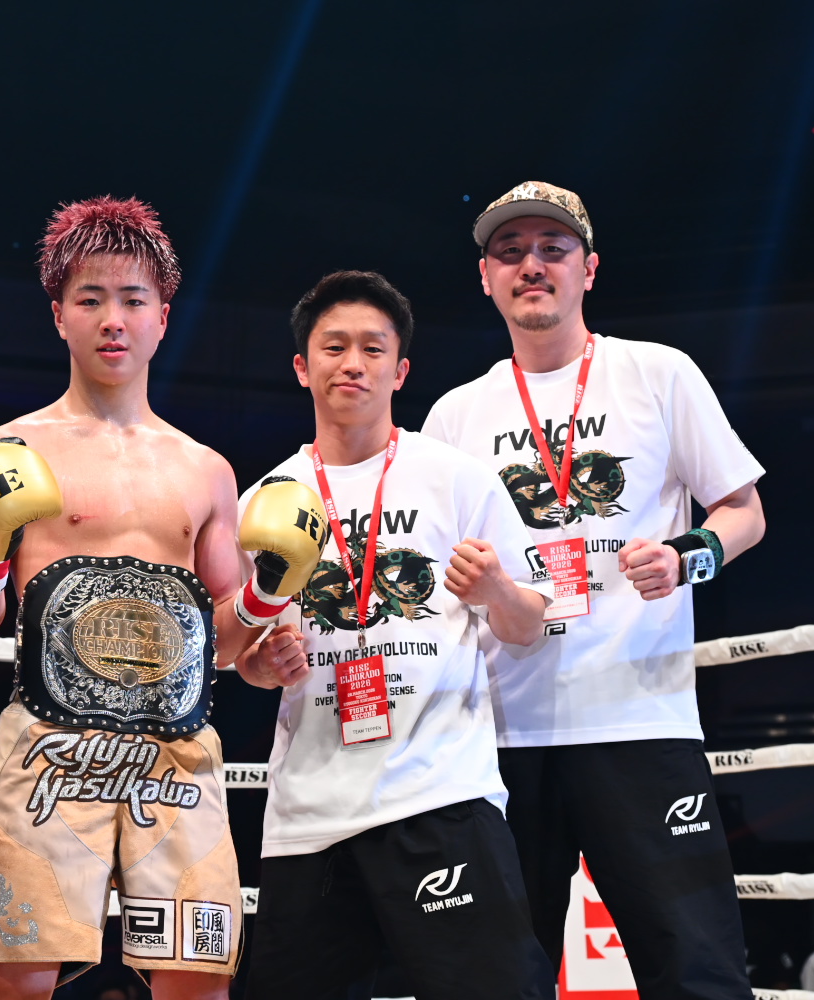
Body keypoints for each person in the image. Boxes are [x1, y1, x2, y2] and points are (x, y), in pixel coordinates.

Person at [0, 196, 322, 999]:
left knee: (197, 981)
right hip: (51, 747)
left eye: (132, 300)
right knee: (17, 978)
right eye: (90, 299)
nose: (113, 319)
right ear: (59, 316)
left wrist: (268, 604)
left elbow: (226, 647)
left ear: (162, 318)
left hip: (173, 754)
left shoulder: (205, 469)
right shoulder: (12, 447)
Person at [421, 180, 767, 999]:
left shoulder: (657, 373)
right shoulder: (454, 416)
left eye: (553, 249)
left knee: (697, 973)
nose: (531, 265)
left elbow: (744, 511)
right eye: (510, 252)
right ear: (486, 278)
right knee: (500, 982)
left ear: (589, 268)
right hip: (499, 741)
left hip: (640, 722)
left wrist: (689, 554)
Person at [233, 271, 557, 1000]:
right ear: (302, 367)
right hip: (309, 813)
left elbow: (529, 627)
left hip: (438, 795)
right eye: (334, 347)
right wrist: (264, 663)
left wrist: (497, 591)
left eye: (373, 349)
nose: (353, 363)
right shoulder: (265, 501)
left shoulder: (457, 478)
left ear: (400, 370)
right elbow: (242, 656)